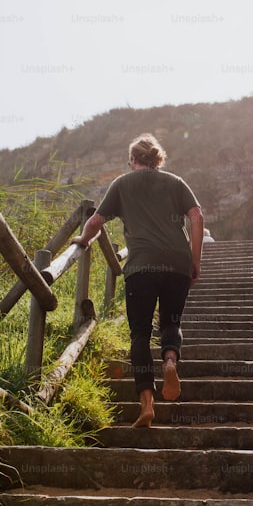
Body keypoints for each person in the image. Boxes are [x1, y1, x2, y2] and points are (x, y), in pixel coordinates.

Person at [71, 133, 204, 428]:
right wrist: (194, 260)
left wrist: (82, 239)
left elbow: (95, 222)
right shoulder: (175, 182)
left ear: (132, 160)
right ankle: (170, 361)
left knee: (140, 334)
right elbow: (197, 217)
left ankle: (147, 403)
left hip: (141, 267)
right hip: (177, 265)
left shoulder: (122, 184)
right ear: (158, 159)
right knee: (171, 324)